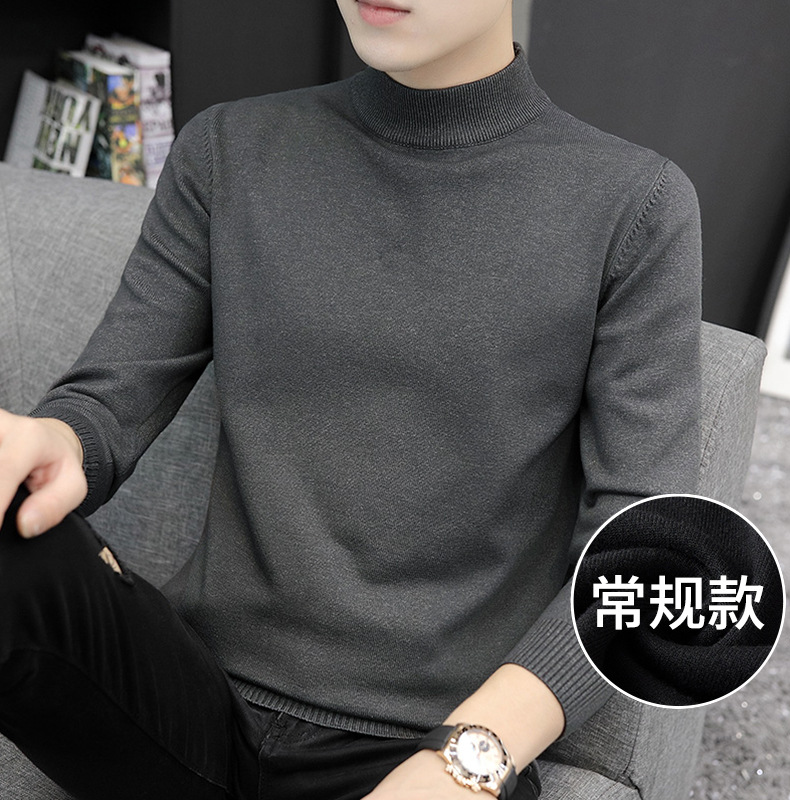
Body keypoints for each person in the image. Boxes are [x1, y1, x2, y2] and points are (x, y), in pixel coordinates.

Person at [0, 1, 702, 798]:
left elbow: (647, 557)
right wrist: (58, 439)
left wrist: (469, 760)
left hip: (420, 750)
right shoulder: (229, 148)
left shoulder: (634, 207)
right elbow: (110, 399)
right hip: (187, 697)